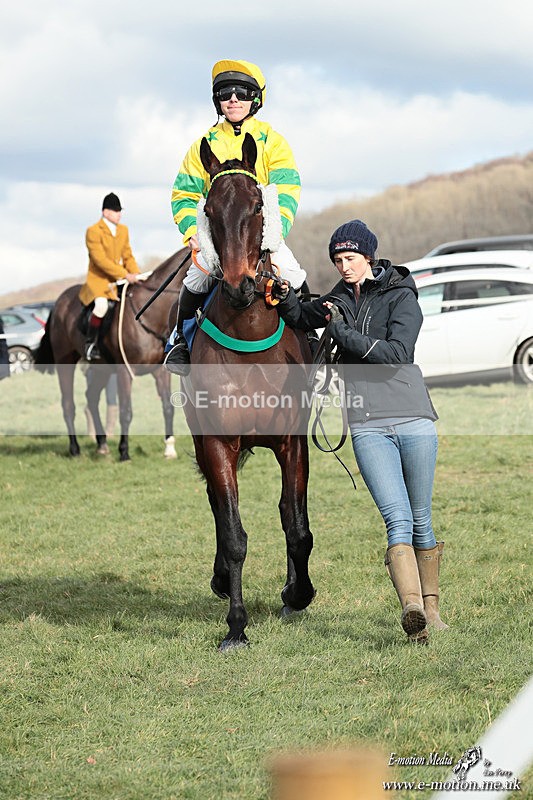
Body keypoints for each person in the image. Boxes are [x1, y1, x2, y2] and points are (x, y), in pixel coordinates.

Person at [276, 219, 448, 643]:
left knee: (421, 520)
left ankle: (432, 609)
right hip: (367, 424)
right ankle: (412, 610)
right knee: (397, 519)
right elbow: (304, 314)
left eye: (350, 258)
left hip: (412, 418)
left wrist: (343, 335)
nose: (343, 266)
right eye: (337, 260)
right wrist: (284, 299)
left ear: (368, 256)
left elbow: (396, 353)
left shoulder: (401, 295)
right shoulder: (337, 299)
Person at [164, 58, 308, 375]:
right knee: (196, 277)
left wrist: (273, 234)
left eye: (241, 93)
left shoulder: (273, 141)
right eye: (225, 92)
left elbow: (287, 188)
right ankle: (181, 344)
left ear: (254, 99)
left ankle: (309, 341)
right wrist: (193, 234)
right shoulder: (202, 145)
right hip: (218, 241)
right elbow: (184, 194)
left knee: (293, 273)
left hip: (262, 237)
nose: (233, 99)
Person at [79, 193, 140, 361]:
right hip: (99, 281)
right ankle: (91, 344)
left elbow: (128, 255)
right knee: (101, 307)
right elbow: (100, 261)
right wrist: (125, 274)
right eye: (115, 211)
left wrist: (136, 274)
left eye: (120, 211)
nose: (119, 214)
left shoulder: (123, 230)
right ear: (105, 212)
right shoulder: (93, 231)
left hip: (120, 279)